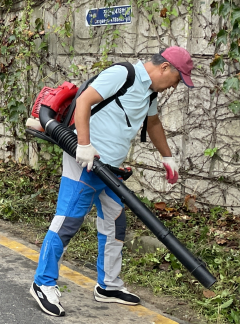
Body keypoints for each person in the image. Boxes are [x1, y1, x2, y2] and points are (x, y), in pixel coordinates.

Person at [30, 47, 195, 316]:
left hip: (110, 169)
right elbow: (83, 101)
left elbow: (152, 124)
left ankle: (108, 285)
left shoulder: (149, 91)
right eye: (177, 80)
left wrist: (168, 158)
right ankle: (43, 283)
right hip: (84, 160)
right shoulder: (123, 74)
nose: (174, 87)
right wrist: (83, 145)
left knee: (115, 223)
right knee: (67, 221)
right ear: (165, 68)